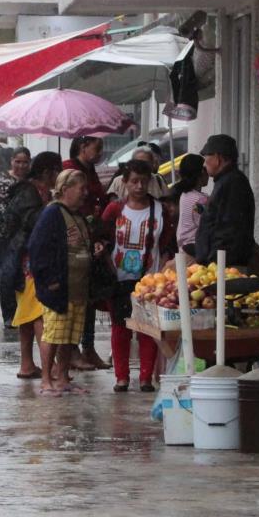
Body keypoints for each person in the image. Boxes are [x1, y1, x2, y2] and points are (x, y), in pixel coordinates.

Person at [101, 160, 169, 393]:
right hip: (117, 278)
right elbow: (101, 239)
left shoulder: (161, 210)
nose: (139, 186)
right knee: (120, 328)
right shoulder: (114, 210)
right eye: (134, 181)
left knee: (147, 329)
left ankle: (145, 378)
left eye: (144, 181)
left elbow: (169, 245)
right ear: (125, 183)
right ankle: (121, 377)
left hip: (150, 281)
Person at [28, 169, 97, 396]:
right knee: (54, 335)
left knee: (69, 337)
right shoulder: (52, 214)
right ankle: (47, 379)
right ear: (66, 189)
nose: (85, 193)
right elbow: (38, 250)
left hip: (77, 289)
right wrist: (50, 281)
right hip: (59, 289)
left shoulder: (76, 215)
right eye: (81, 188)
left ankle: (63, 377)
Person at [3, 151, 63, 380]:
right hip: (30, 263)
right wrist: (51, 206)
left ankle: (27, 364)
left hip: (26, 260)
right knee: (39, 313)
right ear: (48, 173)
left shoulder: (33, 191)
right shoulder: (30, 193)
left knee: (27, 315)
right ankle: (51, 366)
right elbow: (34, 223)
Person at [61, 136, 111, 371]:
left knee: (89, 298)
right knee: (75, 298)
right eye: (97, 147)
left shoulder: (90, 170)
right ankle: (72, 349)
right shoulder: (70, 169)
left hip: (91, 235)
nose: (100, 152)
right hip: (75, 237)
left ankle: (88, 346)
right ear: (83, 147)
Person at [193, 134, 256, 269]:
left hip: (225, 265)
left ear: (217, 158)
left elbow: (228, 229)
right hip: (218, 263)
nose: (204, 164)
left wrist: (213, 262)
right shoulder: (226, 181)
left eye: (206, 158)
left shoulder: (233, 183)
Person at [0, 147, 32, 326]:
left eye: (24, 162)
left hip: (24, 235)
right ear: (11, 161)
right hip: (0, 235)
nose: (21, 165)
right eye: (17, 161)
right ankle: (9, 315)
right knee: (6, 273)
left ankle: (22, 311)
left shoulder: (31, 183)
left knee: (21, 274)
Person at [168, 153, 209, 259]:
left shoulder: (185, 194)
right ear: (202, 172)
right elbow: (206, 223)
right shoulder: (199, 200)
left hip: (183, 249)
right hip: (194, 252)